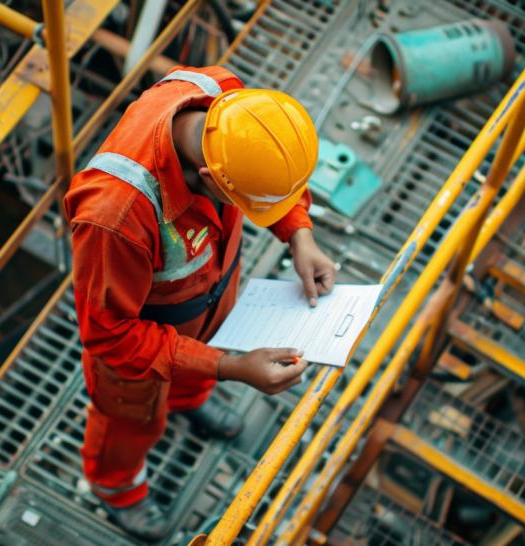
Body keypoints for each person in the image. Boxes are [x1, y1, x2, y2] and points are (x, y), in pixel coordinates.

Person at [64, 65, 337, 540]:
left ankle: (191, 400)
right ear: (210, 177)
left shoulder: (229, 104)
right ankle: (117, 488)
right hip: (139, 355)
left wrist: (299, 233)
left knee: (195, 374)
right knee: (132, 424)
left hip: (208, 307)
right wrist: (232, 368)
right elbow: (108, 335)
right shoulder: (115, 217)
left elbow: (273, 176)